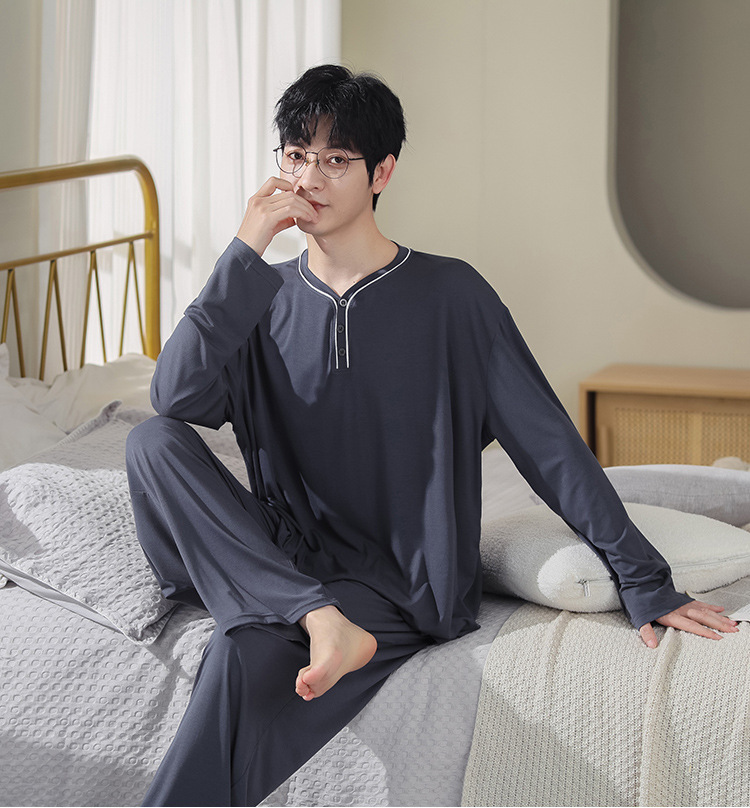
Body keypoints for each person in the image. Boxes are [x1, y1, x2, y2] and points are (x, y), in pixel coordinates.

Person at [126, 64, 737, 807]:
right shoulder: (261, 295)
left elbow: (548, 446)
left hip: (399, 581)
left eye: (336, 159)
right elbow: (173, 395)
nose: (308, 178)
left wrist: (643, 579)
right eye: (295, 155)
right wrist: (245, 249)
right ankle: (316, 616)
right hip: (289, 562)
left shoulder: (453, 296)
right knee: (150, 442)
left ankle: (310, 617)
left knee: (238, 655)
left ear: (382, 173)